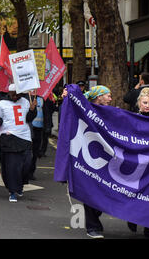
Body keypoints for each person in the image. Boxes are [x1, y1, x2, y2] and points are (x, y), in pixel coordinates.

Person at [63, 85, 111, 238]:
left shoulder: (110, 111)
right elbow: (72, 107)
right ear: (99, 97)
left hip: (104, 159)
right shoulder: (84, 108)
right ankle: (93, 227)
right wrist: (67, 96)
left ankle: (94, 218)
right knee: (91, 190)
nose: (110, 98)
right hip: (86, 156)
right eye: (107, 95)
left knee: (104, 192)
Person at [0, 84, 37, 203]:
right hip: (9, 138)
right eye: (13, 94)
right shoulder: (2, 103)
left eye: (17, 94)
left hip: (24, 137)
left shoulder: (25, 101)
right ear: (9, 93)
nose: (15, 96)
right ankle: (12, 191)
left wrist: (33, 110)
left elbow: (29, 118)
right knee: (12, 167)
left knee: (26, 165)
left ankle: (20, 186)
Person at [127, 89, 149, 238]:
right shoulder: (131, 119)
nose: (147, 105)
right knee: (135, 194)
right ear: (139, 104)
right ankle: (132, 218)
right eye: (145, 103)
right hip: (134, 163)